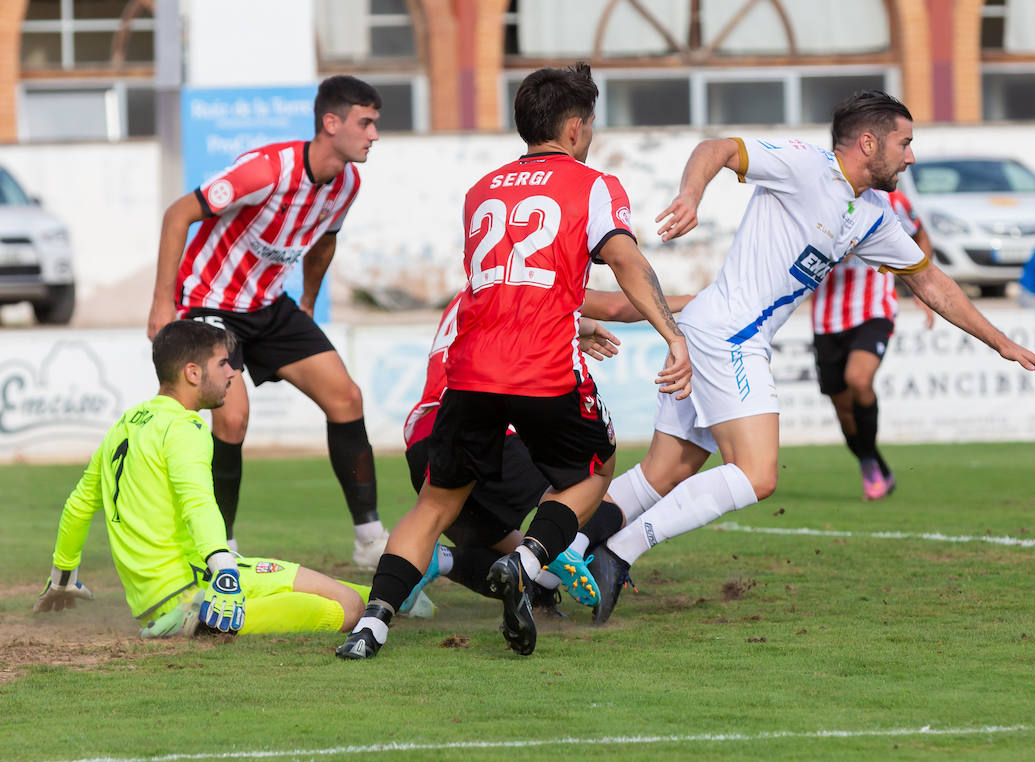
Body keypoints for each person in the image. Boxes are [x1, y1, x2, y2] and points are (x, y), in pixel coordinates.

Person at [585, 90, 1035, 624]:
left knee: (658, 476)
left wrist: (1000, 341)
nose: (911, 156)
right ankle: (617, 552)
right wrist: (691, 197)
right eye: (905, 143)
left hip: (709, 331)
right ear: (868, 142)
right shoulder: (806, 167)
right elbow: (716, 147)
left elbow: (929, 281)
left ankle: (542, 570)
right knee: (758, 475)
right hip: (728, 339)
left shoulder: (874, 215)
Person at [335, 62, 691, 660]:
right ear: (575, 129)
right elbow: (625, 262)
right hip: (544, 369)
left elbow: (510, 282)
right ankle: (526, 561)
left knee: (435, 503)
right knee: (592, 473)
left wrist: (572, 320)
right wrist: (673, 336)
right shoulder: (592, 183)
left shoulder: (482, 190)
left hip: (470, 372)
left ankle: (371, 626)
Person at [145, 75, 391, 569]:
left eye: (375, 124)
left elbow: (324, 242)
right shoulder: (265, 169)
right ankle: (219, 551)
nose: (373, 135)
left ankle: (370, 542)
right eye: (365, 123)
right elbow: (178, 214)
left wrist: (307, 298)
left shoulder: (347, 183)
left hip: (269, 306)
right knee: (232, 417)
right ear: (331, 122)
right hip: (210, 302)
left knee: (347, 398)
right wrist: (161, 305)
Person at [34, 321, 366, 638]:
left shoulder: (126, 423)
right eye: (223, 363)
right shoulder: (185, 428)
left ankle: (401, 592)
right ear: (192, 373)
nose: (232, 372)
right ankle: (200, 621)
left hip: (157, 599)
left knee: (365, 595)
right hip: (197, 586)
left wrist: (63, 576)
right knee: (350, 607)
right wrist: (223, 569)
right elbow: (197, 501)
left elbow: (78, 505)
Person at [399, 285, 690, 617]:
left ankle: (437, 562)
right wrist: (694, 301)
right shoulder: (522, 281)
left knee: (522, 569)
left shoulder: (471, 296)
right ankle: (577, 551)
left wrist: (567, 333)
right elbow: (614, 306)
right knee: (578, 503)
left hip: (424, 443)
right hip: (487, 433)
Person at [809, 190, 934, 501]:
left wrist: (923, 288)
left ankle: (870, 467)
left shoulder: (894, 201)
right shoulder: (819, 198)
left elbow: (920, 236)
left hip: (873, 310)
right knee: (844, 411)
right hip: (826, 319)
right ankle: (873, 463)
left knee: (858, 379)